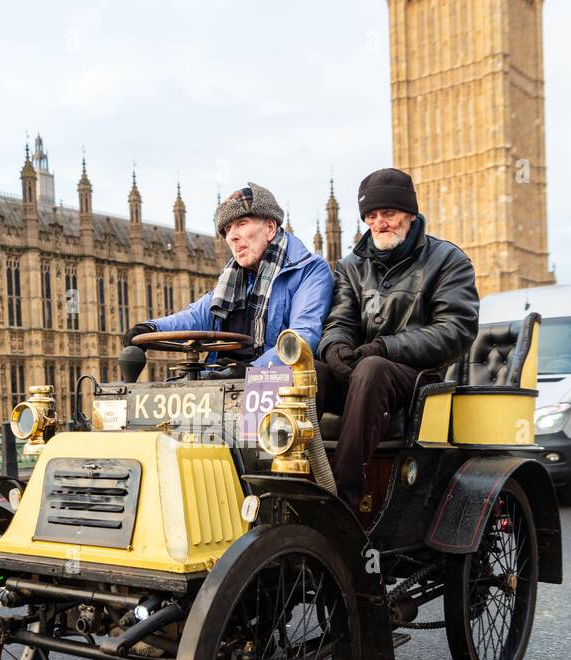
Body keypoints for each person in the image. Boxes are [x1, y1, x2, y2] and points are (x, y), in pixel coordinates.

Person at [316, 168, 480, 510]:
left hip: (418, 379)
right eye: (371, 216)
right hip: (362, 370)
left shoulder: (448, 260)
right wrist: (335, 348)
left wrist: (386, 346)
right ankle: (291, 484)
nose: (379, 223)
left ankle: (343, 501)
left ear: (410, 214)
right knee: (304, 375)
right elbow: (339, 320)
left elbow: (456, 329)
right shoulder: (351, 266)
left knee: (374, 368)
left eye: (387, 214)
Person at [123, 183, 331, 375]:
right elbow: (196, 316)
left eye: (241, 224)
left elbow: (301, 338)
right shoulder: (233, 280)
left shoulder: (309, 270)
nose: (232, 236)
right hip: (223, 379)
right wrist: (151, 328)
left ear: (270, 228)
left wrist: (251, 371)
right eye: (227, 229)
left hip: (274, 382)